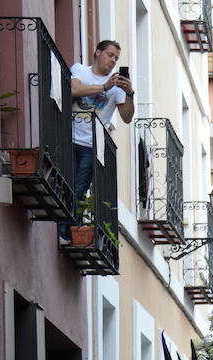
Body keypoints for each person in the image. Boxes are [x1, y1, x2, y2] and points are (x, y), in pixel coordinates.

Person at [64, 40, 134, 242]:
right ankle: (65, 230)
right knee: (65, 183)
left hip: (90, 146)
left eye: (116, 58)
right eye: (110, 55)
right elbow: (73, 90)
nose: (112, 60)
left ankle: (67, 233)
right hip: (68, 137)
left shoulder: (118, 89)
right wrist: (104, 86)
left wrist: (129, 93)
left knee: (79, 190)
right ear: (97, 53)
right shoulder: (80, 70)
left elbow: (127, 117)